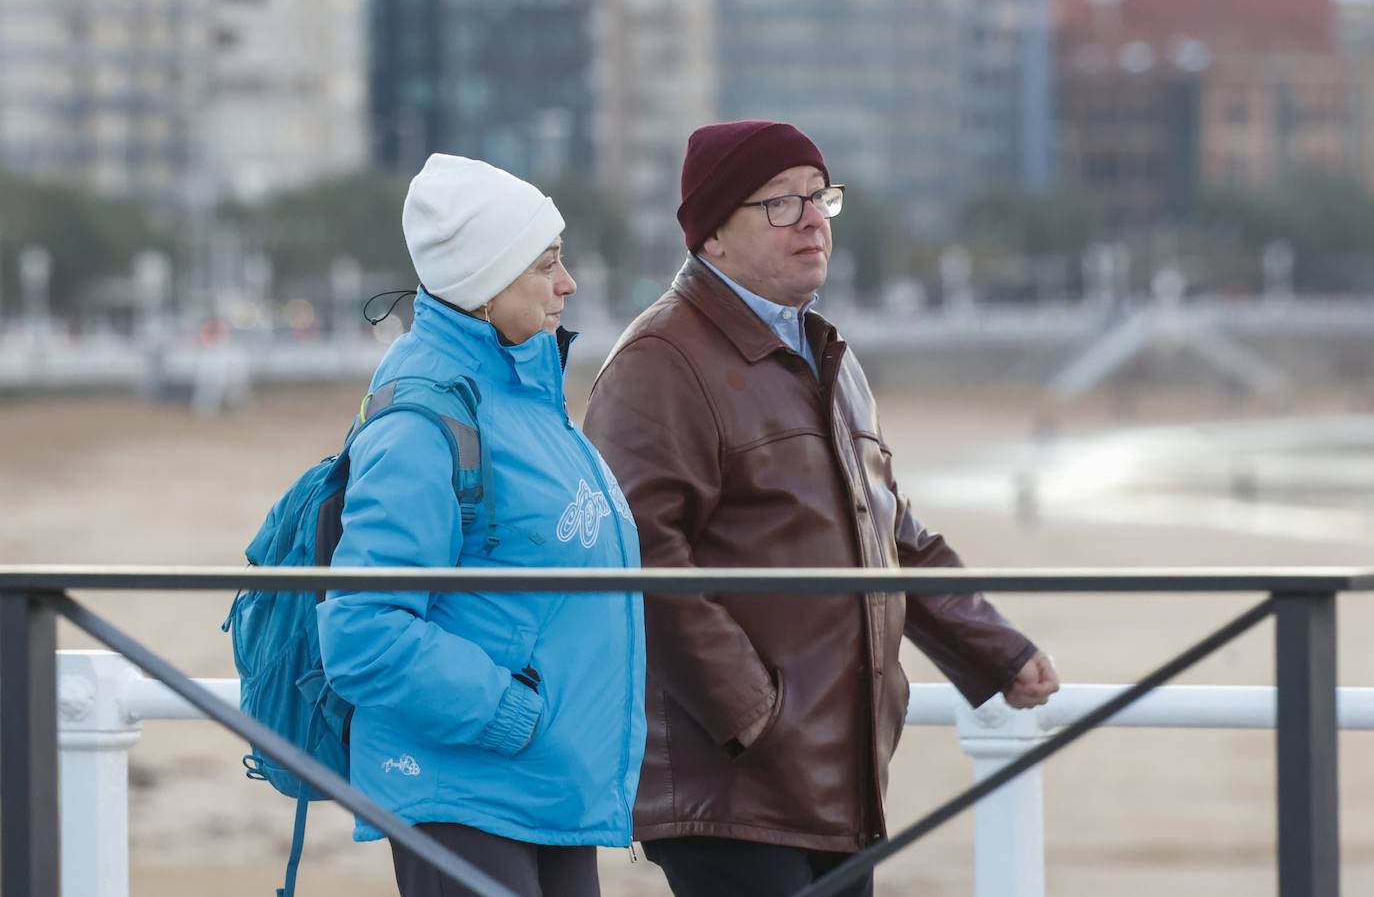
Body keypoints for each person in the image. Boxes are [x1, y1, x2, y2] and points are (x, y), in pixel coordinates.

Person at [582, 120, 1059, 897]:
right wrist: (756, 718)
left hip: (834, 779)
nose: (812, 219)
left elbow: (888, 535)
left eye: (819, 197)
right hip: (734, 790)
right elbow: (640, 555)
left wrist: (994, 650)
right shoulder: (662, 360)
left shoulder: (825, 355)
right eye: (781, 203)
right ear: (714, 233)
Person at [317, 154, 646, 897]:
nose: (567, 284)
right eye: (547, 265)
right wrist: (510, 715)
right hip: (468, 790)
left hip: (542, 787)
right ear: (484, 283)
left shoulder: (527, 391)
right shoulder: (422, 423)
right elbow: (362, 630)